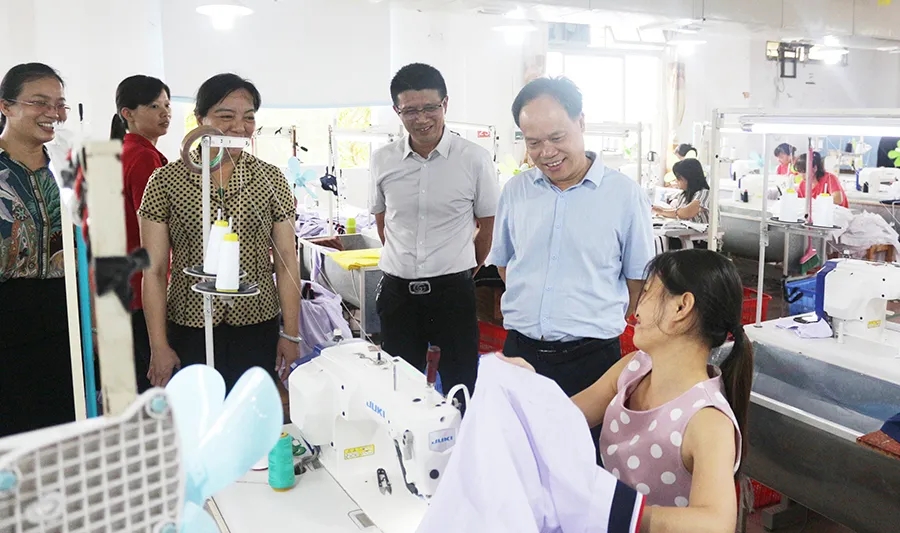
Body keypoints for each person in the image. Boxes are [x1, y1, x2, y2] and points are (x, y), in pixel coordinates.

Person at [500, 249, 752, 531]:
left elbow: (716, 523)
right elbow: (567, 415)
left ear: (681, 308)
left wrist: (616, 512)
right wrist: (528, 385)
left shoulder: (708, 421)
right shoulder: (634, 368)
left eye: (647, 292)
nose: (636, 310)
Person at [487, 76, 654, 454]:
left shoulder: (624, 196)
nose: (546, 152)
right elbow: (506, 266)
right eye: (533, 142)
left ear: (581, 122)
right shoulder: (516, 192)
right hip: (520, 353)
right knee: (516, 457)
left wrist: (586, 314)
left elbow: (638, 280)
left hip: (591, 363)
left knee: (581, 463)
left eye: (557, 137)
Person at [139, 73, 301, 391]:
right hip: (190, 323)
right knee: (198, 411)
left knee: (250, 410)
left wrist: (291, 333)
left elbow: (286, 261)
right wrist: (159, 345)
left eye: (249, 117)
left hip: (257, 320)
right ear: (200, 119)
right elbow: (154, 271)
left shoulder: (271, 179)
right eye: (226, 116)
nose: (239, 127)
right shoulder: (165, 181)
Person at [369, 63, 500, 397]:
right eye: (410, 110)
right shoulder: (383, 160)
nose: (422, 118)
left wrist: (464, 269)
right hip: (398, 296)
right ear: (397, 111)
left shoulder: (474, 159)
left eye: (430, 108)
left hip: (452, 295)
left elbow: (487, 225)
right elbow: (384, 223)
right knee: (399, 389)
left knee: (461, 385)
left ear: (445, 104)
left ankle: (462, 432)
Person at [0, 63, 76, 436]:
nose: (54, 113)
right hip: (6, 314)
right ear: (6, 106)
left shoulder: (67, 165)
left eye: (59, 104)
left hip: (64, 312)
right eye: (40, 102)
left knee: (64, 424)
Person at [110, 74, 172, 393]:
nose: (165, 113)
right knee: (157, 379)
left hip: (122, 284)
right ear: (128, 113)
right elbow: (155, 230)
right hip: (142, 285)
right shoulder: (144, 158)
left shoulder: (122, 152)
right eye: (153, 106)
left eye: (167, 105)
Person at [652, 158, 711, 225]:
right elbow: (677, 212)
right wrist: (660, 210)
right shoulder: (683, 195)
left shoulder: (705, 194)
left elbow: (687, 212)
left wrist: (662, 211)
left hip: (700, 232)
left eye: (678, 178)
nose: (676, 181)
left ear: (688, 178)